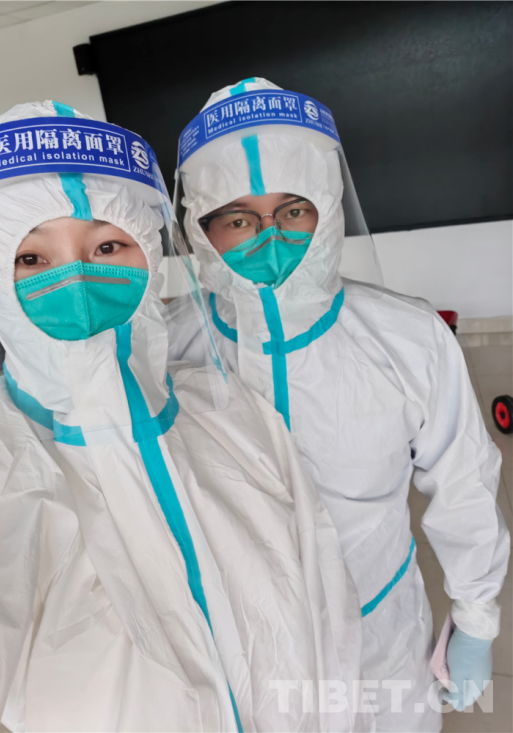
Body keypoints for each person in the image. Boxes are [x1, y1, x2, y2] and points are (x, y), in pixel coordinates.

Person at [0, 102, 368, 732]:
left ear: (151, 255)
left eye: (107, 245)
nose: (77, 282)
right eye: (32, 259)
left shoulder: (227, 411)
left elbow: (324, 599)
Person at [169, 78, 511, 731]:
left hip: (380, 631)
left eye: (293, 210)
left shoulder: (406, 337)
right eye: (238, 219)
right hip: (238, 646)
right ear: (200, 229)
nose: (269, 238)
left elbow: (465, 481)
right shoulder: (169, 348)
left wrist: (475, 616)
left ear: (327, 209)